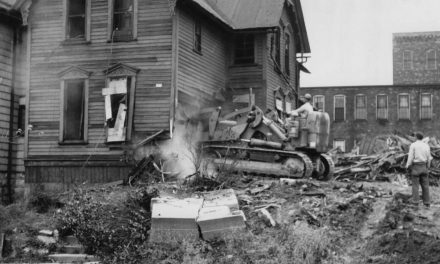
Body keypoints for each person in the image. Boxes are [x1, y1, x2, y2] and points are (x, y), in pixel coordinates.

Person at [405, 132, 432, 208]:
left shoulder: (413, 145)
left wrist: (407, 165)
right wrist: (428, 167)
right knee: (425, 185)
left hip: (416, 167)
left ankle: (416, 202)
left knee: (415, 185)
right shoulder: (426, 145)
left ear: (416, 137)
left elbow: (410, 157)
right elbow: (429, 158)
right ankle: (427, 203)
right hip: (424, 166)